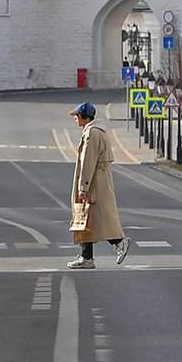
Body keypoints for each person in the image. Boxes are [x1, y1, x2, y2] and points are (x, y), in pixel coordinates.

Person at [67, 102, 126, 268]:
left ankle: (119, 242)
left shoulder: (91, 134)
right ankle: (86, 257)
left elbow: (88, 161)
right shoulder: (97, 131)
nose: (75, 120)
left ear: (84, 117)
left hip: (93, 184)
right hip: (98, 181)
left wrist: (83, 187)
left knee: (97, 218)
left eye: (76, 116)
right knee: (86, 219)